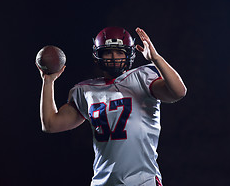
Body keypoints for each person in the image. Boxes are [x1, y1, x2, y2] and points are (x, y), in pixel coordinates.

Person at [38, 27, 187, 186]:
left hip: (143, 181)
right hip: (104, 182)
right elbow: (50, 124)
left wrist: (156, 59)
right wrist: (48, 81)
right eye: (108, 52)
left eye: (119, 52)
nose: (114, 57)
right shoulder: (86, 90)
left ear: (129, 54)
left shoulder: (143, 78)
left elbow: (179, 91)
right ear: (98, 56)